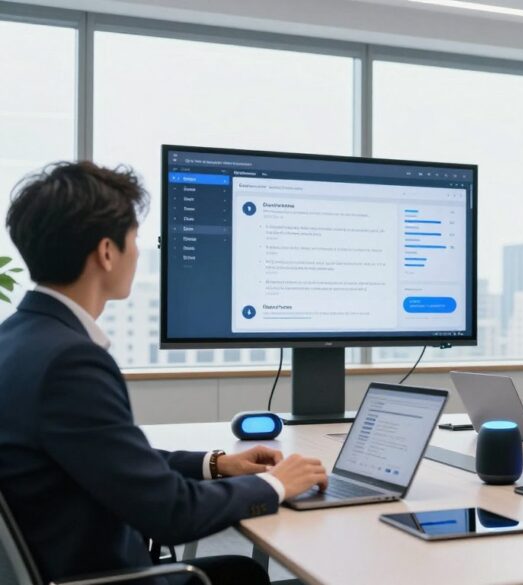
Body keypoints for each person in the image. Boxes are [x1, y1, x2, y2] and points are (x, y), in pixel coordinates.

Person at [0, 162, 329, 585]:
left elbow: (106, 458)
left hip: (59, 565)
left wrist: (217, 464)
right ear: (106, 251)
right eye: (135, 239)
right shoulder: (70, 361)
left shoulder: (18, 339)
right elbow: (171, 515)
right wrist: (276, 485)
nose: (139, 252)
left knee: (243, 572)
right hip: (105, 577)